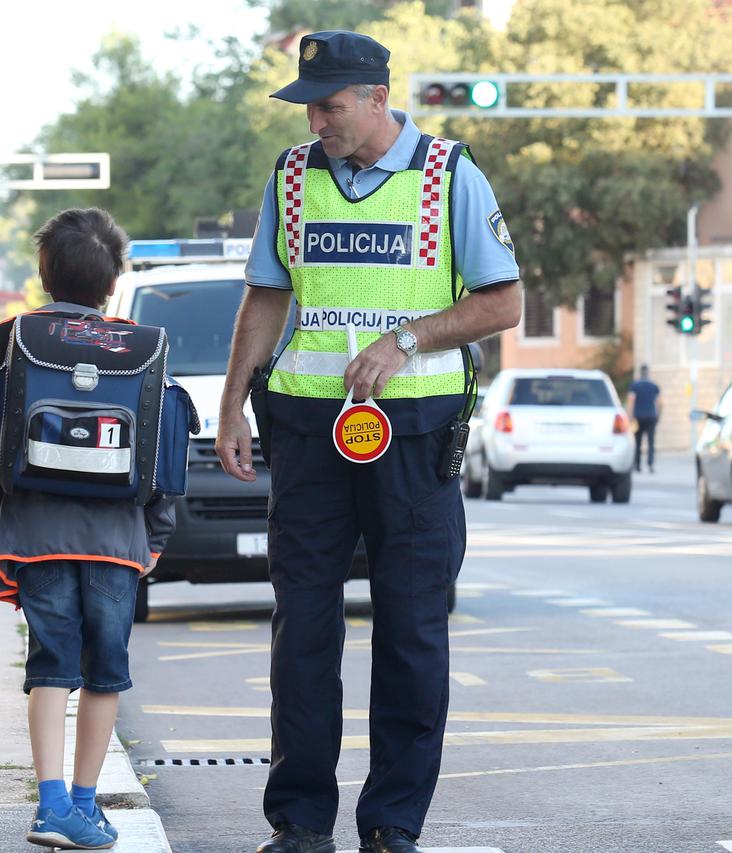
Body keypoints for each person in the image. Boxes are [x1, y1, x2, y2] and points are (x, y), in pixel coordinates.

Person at [215, 32, 522, 853]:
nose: (317, 122)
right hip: (307, 432)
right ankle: (299, 822)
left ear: (379, 97)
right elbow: (266, 296)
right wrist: (233, 402)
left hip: (415, 433)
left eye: (331, 106)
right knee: (303, 627)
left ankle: (392, 823)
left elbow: (502, 303)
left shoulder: (449, 175)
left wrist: (407, 339)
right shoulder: (292, 176)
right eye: (309, 108)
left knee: (413, 629)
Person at [0, 209, 175, 850]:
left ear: (45, 275)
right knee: (105, 672)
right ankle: (87, 805)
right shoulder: (144, 349)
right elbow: (165, 457)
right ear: (114, 283)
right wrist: (155, 536)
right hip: (116, 541)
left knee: (49, 666)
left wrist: (0, 522)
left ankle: (52, 805)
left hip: (37, 534)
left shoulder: (15, 342)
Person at [627, 365, 662, 473]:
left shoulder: (635, 386)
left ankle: (637, 465)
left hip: (638, 417)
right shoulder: (654, 386)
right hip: (651, 416)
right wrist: (658, 415)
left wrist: (630, 416)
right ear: (648, 373)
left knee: (638, 441)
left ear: (640, 373)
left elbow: (631, 401)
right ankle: (650, 464)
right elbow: (659, 402)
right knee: (651, 442)